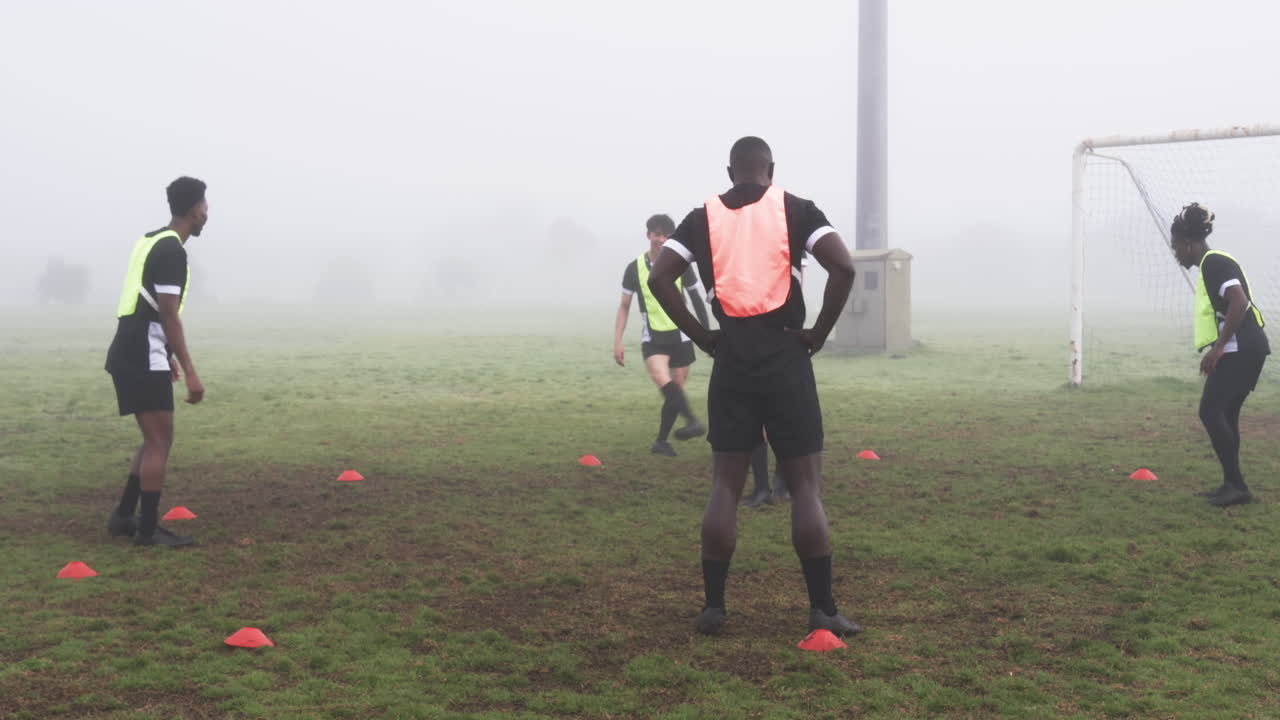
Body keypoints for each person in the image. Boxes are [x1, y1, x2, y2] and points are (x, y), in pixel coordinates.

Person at [647, 136, 860, 637]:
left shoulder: (701, 217)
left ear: (729, 171)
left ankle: (714, 608)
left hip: (732, 358)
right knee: (805, 485)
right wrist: (818, 334)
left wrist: (703, 337)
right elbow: (844, 266)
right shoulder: (797, 209)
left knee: (725, 483)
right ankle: (822, 609)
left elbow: (661, 279)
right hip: (788, 355)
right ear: (771, 168)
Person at [104, 176, 209, 546]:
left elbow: (143, 306)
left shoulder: (149, 241)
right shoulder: (173, 251)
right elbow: (168, 315)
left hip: (135, 351)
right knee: (160, 440)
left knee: (153, 439)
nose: (207, 213)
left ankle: (123, 517)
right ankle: (147, 532)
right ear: (194, 209)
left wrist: (165, 355)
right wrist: (191, 372)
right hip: (141, 354)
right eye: (205, 207)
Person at [1170, 203, 1269, 507]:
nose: (1175, 254)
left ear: (1188, 244)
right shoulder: (1212, 264)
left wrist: (1219, 348)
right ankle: (1232, 484)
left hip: (1241, 349)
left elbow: (1239, 302)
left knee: (1210, 412)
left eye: (1176, 247)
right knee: (1225, 414)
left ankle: (1236, 485)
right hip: (1249, 348)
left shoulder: (1213, 263)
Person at [615, 214, 710, 456]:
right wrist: (618, 341)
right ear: (648, 235)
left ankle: (661, 442)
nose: (661, 239)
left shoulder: (681, 265)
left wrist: (706, 334)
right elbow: (624, 306)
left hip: (681, 335)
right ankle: (692, 421)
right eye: (656, 234)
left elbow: (698, 301)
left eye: (666, 234)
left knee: (675, 389)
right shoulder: (633, 268)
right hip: (653, 337)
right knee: (661, 377)